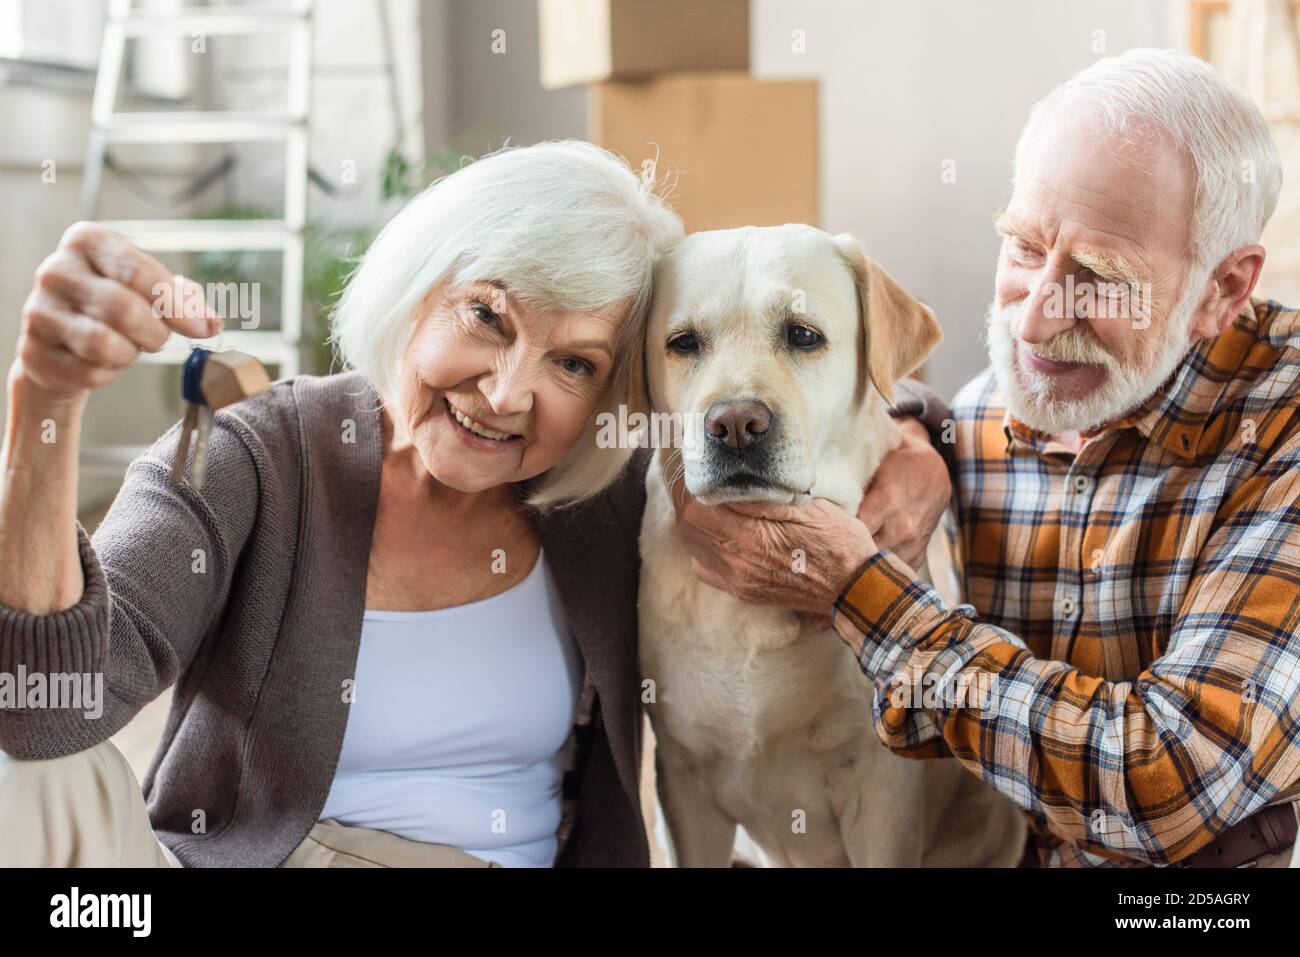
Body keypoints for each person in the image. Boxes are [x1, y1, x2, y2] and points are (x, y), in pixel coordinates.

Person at [0, 139, 952, 867]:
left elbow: (819, 379)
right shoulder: (257, 456)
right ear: (420, 282)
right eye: (487, 317)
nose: (504, 394)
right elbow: (44, 704)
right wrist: (44, 405)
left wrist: (922, 445)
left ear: (622, 391)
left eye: (573, 363)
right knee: (22, 775)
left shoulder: (613, 483)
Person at [674, 49, 1300, 868]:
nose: (1036, 321)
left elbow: (1166, 780)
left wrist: (858, 591)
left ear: (1222, 289)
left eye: (1101, 279)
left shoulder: (1280, 431)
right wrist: (911, 429)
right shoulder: (991, 412)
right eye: (1025, 247)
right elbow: (917, 405)